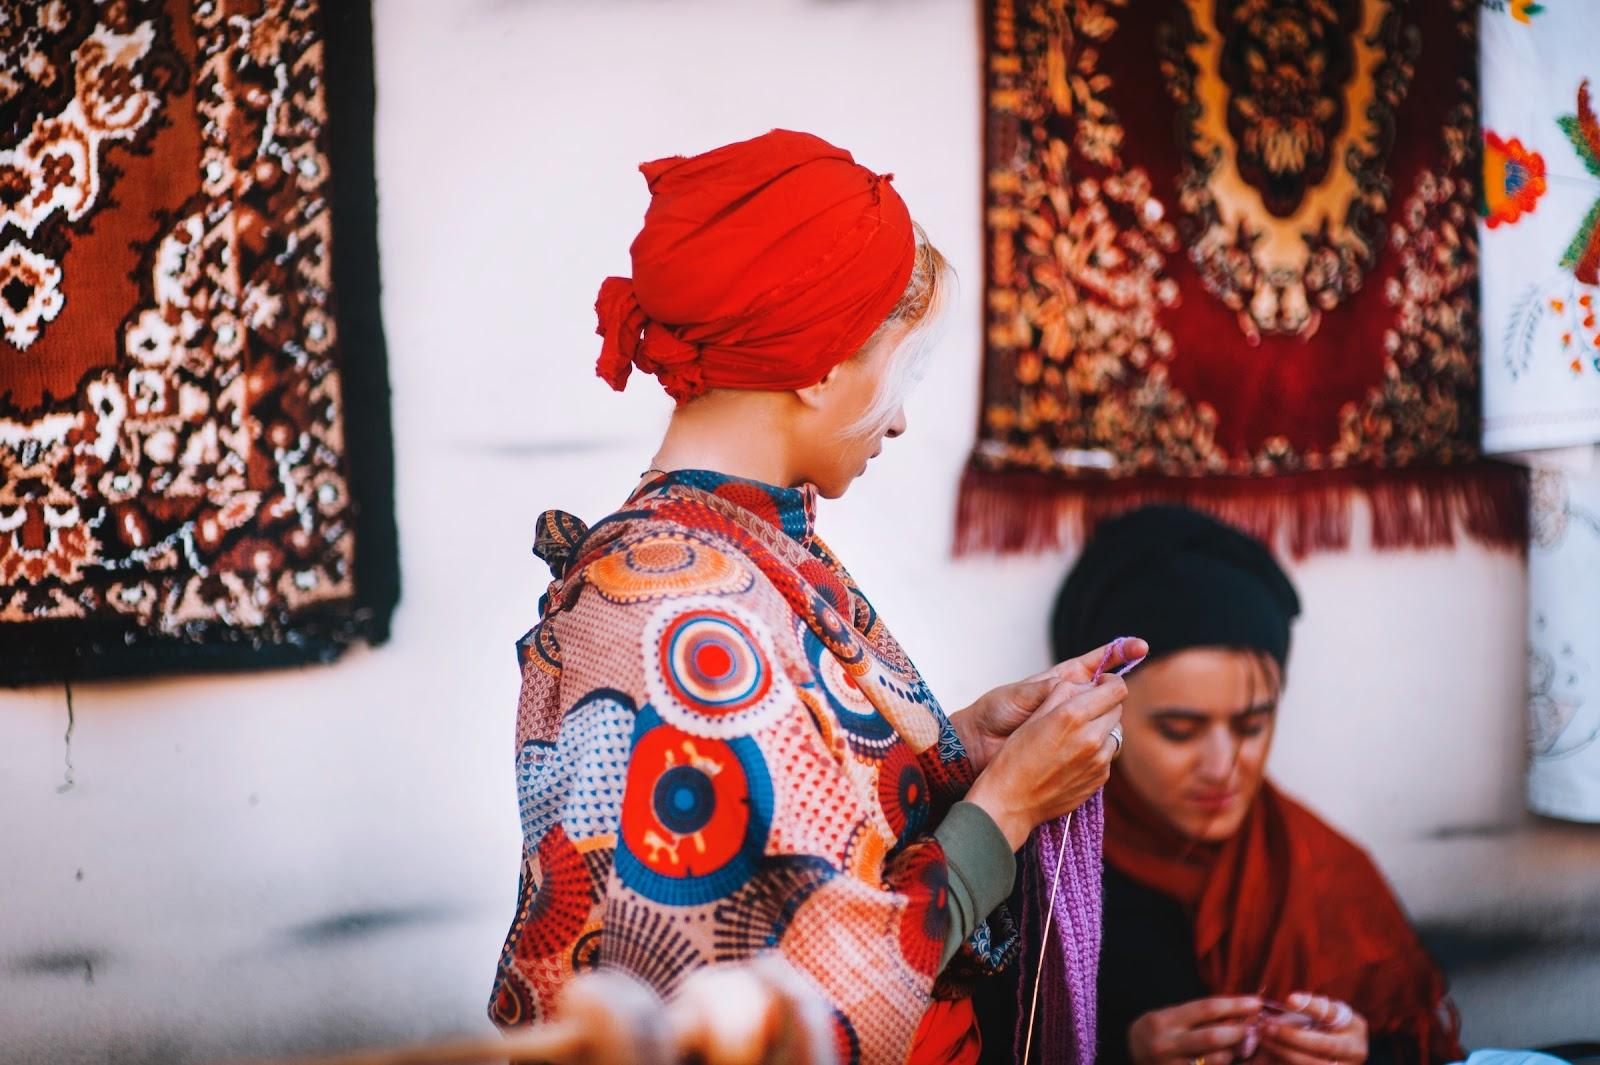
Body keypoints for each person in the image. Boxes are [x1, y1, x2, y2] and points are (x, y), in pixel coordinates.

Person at [486, 129, 1144, 1065]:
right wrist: (1004, 808)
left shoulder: (723, 551)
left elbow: (793, 806)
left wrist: (959, 748)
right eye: (902, 372)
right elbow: (782, 1009)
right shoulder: (671, 617)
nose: (905, 416)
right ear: (821, 361)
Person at [978, 505, 1464, 1065]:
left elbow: (1417, 1047)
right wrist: (1124, 1054)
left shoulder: (1326, 874)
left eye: (1251, 725)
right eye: (1180, 731)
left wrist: (1360, 1056)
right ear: (1102, 715)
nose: (1224, 765)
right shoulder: (1037, 880)